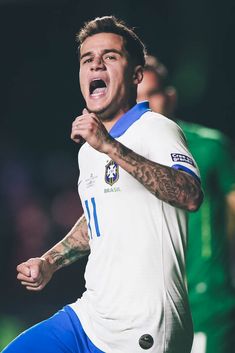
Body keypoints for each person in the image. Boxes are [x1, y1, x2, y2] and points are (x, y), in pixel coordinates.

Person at [3, 17, 203, 353]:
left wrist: (109, 145)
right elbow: (99, 217)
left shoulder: (156, 128)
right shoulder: (89, 152)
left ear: (136, 76)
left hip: (140, 330)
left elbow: (189, 194)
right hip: (91, 316)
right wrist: (50, 261)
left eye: (110, 56)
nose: (96, 62)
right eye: (87, 59)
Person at [137, 55, 235, 353]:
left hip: (207, 305)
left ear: (171, 96)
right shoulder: (118, 158)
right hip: (145, 310)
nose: (144, 106)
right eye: (135, 98)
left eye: (151, 94)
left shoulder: (210, 147)